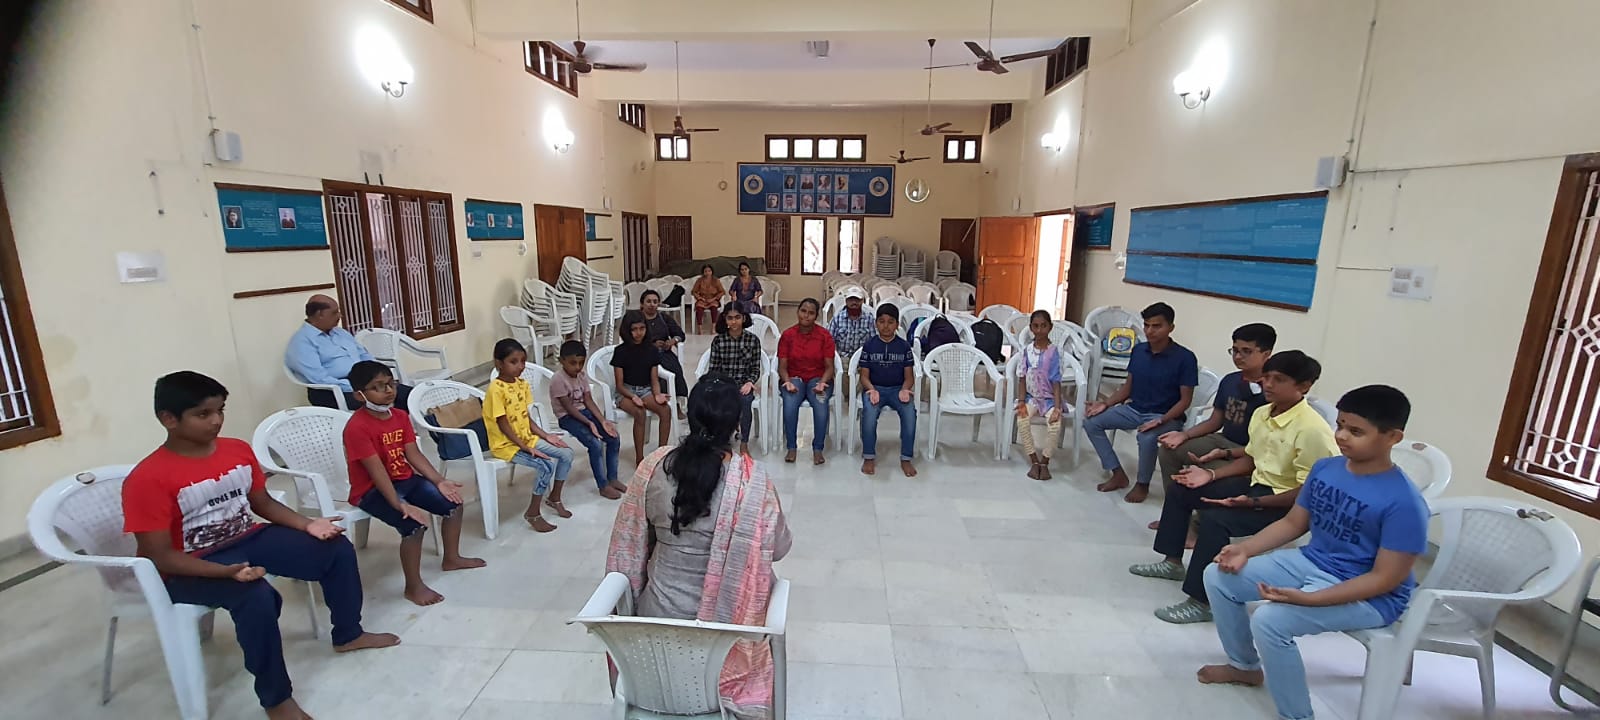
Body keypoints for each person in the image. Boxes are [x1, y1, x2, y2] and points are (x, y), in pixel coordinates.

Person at [123, 371, 399, 720]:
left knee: (335, 548)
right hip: (190, 564)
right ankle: (277, 699)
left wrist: (308, 524)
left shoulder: (236, 450)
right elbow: (159, 556)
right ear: (169, 419)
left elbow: (262, 503)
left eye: (220, 410)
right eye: (203, 414)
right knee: (256, 596)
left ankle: (348, 634)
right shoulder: (147, 479)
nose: (216, 421)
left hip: (246, 537)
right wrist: (224, 572)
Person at [1198, 385, 1426, 720]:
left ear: (1392, 437)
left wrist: (1311, 599)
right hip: (1311, 562)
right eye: (1341, 425)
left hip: (1372, 595)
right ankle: (1244, 666)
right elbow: (1293, 523)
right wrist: (1244, 548)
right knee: (1218, 576)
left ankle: (1297, 716)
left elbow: (1384, 579)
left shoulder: (1404, 503)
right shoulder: (1326, 469)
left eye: (1356, 431)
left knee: (1271, 620)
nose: (1342, 436)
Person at [605, 377, 793, 720]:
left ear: (690, 417)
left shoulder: (653, 467)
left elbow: (634, 539)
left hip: (653, 639)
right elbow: (779, 548)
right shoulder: (754, 484)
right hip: (723, 644)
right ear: (737, 424)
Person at [1129, 351, 1338, 624]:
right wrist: (1210, 475)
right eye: (1266, 377)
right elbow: (1252, 458)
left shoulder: (1312, 430)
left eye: (1279, 379)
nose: (1268, 384)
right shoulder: (1263, 413)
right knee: (1183, 488)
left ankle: (1201, 601)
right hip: (1256, 485)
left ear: (1304, 386)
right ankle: (1172, 562)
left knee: (1216, 520)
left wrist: (1252, 502)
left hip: (1287, 503)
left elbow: (1310, 491)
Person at [343, 361, 485, 606]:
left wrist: (439, 481)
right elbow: (376, 472)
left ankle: (451, 558)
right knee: (414, 526)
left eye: (391, 384)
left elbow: (413, 454)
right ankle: (413, 586)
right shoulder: (356, 427)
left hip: (404, 479)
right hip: (372, 490)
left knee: (453, 503)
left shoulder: (400, 416)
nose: (388, 390)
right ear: (359, 395)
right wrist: (399, 504)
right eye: (378, 387)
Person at [1150, 323, 1276, 542]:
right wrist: (1184, 435)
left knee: (1211, 471)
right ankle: (1176, 515)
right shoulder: (1230, 380)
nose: (1238, 356)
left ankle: (1198, 527)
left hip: (1249, 452)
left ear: (1266, 354)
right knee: (1170, 450)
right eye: (1235, 350)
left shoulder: (1272, 391)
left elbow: (1266, 447)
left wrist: (1226, 454)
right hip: (1223, 439)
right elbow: (1215, 420)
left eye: (1246, 351)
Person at [1083, 302, 1198, 503]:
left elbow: (1185, 400)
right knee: (1091, 422)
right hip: (1135, 409)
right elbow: (1127, 388)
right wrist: (1105, 404)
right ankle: (1117, 473)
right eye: (1146, 325)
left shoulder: (1185, 358)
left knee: (1146, 438)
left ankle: (1142, 484)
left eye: (1157, 326)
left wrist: (1161, 420)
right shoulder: (1139, 351)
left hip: (1166, 415)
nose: (1150, 331)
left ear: (1171, 327)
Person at [484, 338, 575, 533]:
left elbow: (526, 418)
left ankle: (554, 497)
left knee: (566, 453)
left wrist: (546, 436)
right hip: (507, 445)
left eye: (523, 361)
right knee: (546, 465)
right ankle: (533, 512)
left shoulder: (522, 385)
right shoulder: (495, 389)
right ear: (499, 363)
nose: (520, 366)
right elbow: (503, 425)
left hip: (526, 438)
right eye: (513, 361)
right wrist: (526, 448)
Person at [285, 294, 413, 411]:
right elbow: (319, 378)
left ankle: (407, 426)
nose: (340, 316)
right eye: (335, 312)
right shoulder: (302, 342)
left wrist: (378, 375)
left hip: (366, 382)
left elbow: (364, 355)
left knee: (412, 395)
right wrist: (357, 385)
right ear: (320, 314)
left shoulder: (340, 333)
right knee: (391, 397)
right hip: (333, 391)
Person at [550, 340, 627, 499]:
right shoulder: (558, 379)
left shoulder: (582, 375)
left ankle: (612, 478)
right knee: (594, 444)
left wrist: (602, 420)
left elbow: (588, 400)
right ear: (561, 360)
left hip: (584, 413)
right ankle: (603, 485)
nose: (578, 367)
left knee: (613, 437)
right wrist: (589, 423)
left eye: (581, 363)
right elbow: (569, 408)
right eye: (573, 363)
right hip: (567, 417)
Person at [857, 303, 917, 477]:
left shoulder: (904, 346)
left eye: (891, 322)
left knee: (910, 414)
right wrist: (871, 389)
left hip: (898, 389)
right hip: (875, 388)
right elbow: (864, 376)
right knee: (869, 415)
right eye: (881, 321)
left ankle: (906, 458)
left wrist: (905, 389)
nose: (886, 326)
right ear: (876, 323)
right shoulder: (869, 345)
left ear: (897, 324)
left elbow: (909, 377)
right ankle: (869, 456)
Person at [778, 298, 836, 465]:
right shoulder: (788, 335)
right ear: (798, 312)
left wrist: (823, 382)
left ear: (816, 316)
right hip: (794, 378)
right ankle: (791, 447)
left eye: (811, 313)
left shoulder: (824, 336)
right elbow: (782, 366)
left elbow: (829, 367)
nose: (806, 316)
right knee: (790, 406)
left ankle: (818, 448)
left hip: (818, 379)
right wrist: (787, 381)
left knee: (821, 406)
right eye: (803, 311)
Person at [614, 311, 675, 464]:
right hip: (626, 392)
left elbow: (654, 380)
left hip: (645, 389)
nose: (638, 333)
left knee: (665, 410)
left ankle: (661, 454)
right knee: (639, 413)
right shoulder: (620, 351)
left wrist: (657, 394)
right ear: (627, 331)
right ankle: (639, 458)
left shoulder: (652, 350)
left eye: (642, 328)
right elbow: (619, 385)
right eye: (634, 329)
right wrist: (633, 397)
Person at [1015, 310, 1067, 481]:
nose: (1039, 330)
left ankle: (1045, 461)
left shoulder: (1054, 352)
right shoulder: (1026, 351)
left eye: (1043, 326)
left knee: (1054, 425)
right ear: (1031, 328)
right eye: (1036, 326)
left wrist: (1057, 408)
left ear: (1050, 327)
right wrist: (1021, 402)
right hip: (1032, 398)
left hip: (1050, 399)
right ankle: (1034, 461)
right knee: (1022, 420)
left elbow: (1056, 382)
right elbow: (1022, 378)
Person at [707, 301, 764, 456]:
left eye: (737, 317)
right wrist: (719, 386)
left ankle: (744, 442)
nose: (734, 322)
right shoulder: (718, 341)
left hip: (743, 384)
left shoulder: (753, 340)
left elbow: (755, 368)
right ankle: (722, 439)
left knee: (745, 402)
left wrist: (749, 382)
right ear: (725, 319)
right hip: (724, 384)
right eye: (730, 318)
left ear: (744, 318)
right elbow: (714, 369)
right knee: (716, 403)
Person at [639, 288, 691, 406]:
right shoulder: (637, 319)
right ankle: (658, 401)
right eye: (648, 301)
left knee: (674, 369)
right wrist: (651, 345)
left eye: (655, 302)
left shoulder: (664, 318)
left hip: (664, 353)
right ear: (642, 304)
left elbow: (680, 334)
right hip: (642, 354)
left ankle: (675, 402)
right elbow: (630, 339)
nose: (652, 304)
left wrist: (672, 341)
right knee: (657, 371)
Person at [828, 291, 874, 362]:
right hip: (842, 359)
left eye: (857, 300)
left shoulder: (869, 319)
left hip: (862, 359)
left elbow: (874, 342)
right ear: (846, 301)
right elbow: (829, 342)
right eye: (851, 300)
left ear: (862, 301)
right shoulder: (837, 319)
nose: (854, 303)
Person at [691, 265, 726, 333]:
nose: (707, 273)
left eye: (709, 271)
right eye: (706, 271)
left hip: (713, 299)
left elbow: (722, 292)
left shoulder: (716, 280)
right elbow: (693, 291)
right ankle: (700, 328)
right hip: (702, 299)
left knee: (714, 308)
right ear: (703, 272)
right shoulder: (699, 280)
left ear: (712, 272)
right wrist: (700, 298)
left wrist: (714, 298)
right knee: (699, 308)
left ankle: (713, 327)